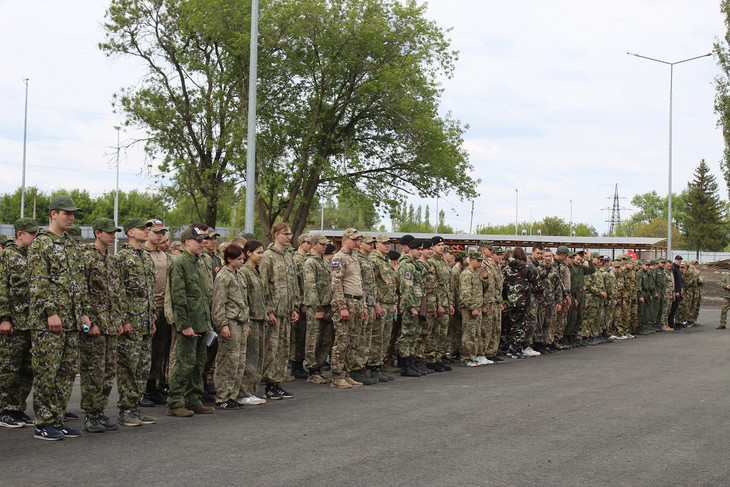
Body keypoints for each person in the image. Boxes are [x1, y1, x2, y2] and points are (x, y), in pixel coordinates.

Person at [28, 194, 91, 440]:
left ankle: (57, 418)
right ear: (53, 213)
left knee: (65, 373)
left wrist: (84, 313)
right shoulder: (41, 244)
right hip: (49, 322)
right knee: (47, 372)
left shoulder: (70, 245)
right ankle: (43, 422)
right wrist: (50, 313)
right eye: (67, 213)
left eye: (73, 213)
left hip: (72, 320)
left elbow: (79, 284)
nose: (71, 217)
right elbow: (38, 282)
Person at [80, 218, 123, 433]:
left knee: (109, 370)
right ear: (98, 233)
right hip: (96, 323)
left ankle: (100, 411)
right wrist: (90, 321)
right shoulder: (87, 257)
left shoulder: (112, 260)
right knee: (93, 371)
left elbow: (116, 293)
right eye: (109, 232)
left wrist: (120, 320)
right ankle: (90, 413)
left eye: (115, 232)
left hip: (111, 323)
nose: (113, 235)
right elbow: (82, 291)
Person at [167, 227, 215, 417]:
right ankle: (175, 401)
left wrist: (207, 322)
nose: (202, 243)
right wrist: (185, 325)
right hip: (189, 324)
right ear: (187, 242)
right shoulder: (180, 264)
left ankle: (194, 399)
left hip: (201, 322)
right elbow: (179, 298)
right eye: (198, 240)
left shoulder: (198, 262)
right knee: (185, 363)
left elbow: (202, 296)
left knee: (199, 362)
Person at [116, 218, 157, 426]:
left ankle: (135, 406)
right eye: (142, 229)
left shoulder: (145, 257)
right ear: (131, 232)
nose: (146, 232)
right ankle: (125, 409)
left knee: (142, 367)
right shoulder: (123, 257)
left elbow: (148, 291)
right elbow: (119, 291)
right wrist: (123, 320)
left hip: (145, 320)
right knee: (128, 367)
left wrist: (152, 318)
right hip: (131, 321)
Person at [0, 218, 39, 429]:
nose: (34, 238)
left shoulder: (33, 256)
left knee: (26, 368)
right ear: (20, 234)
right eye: (31, 234)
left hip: (30, 321)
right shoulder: (8, 255)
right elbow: (2, 288)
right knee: (8, 368)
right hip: (13, 322)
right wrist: (4, 318)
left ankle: (17, 407)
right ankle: (4, 409)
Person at [260, 222, 300, 399]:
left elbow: (294, 283)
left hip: (286, 309)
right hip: (274, 310)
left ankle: (277, 382)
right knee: (272, 349)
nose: (289, 237)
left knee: (283, 348)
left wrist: (295, 307)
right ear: (276, 234)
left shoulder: (289, 256)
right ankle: (268, 384)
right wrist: (268, 310)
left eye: (290, 234)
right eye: (286, 234)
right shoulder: (268, 256)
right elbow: (263, 285)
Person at [212, 244, 249, 410]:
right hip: (230, 321)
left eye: (243, 259)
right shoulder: (223, 276)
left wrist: (247, 323)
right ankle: (223, 396)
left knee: (239, 361)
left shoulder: (239, 275)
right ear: (229, 259)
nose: (242, 262)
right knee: (228, 360)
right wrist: (222, 325)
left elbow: (244, 301)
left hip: (241, 321)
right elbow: (219, 302)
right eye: (238, 259)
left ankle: (232, 394)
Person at [330, 228, 368, 388]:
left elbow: (359, 283)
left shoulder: (354, 258)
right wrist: (341, 307)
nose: (357, 242)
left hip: (357, 302)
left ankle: (346, 373)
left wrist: (364, 305)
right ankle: (337, 375)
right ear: (345, 239)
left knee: (353, 340)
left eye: (358, 240)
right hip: (346, 301)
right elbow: (336, 284)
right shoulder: (338, 258)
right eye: (354, 240)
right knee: (342, 339)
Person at [144, 219, 174, 405]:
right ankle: (144, 389)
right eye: (156, 232)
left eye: (162, 232)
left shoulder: (163, 255)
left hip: (165, 306)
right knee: (149, 350)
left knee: (161, 350)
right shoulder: (143, 254)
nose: (160, 235)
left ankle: (155, 386)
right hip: (151, 307)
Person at [301, 234, 334, 385]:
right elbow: (310, 286)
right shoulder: (310, 262)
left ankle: (319, 367)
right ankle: (312, 369)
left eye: (325, 244)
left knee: (326, 339)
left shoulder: (325, 262)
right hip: (316, 307)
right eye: (321, 244)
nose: (324, 246)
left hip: (328, 305)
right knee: (313, 339)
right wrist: (316, 307)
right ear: (313, 245)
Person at [238, 240, 267, 405]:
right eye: (258, 252)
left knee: (258, 357)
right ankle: (244, 392)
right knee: (249, 357)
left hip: (259, 318)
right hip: (252, 319)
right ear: (248, 253)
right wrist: (247, 322)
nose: (261, 256)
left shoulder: (256, 271)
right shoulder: (244, 272)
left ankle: (252, 390)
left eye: (262, 252)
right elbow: (244, 300)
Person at [368, 234, 397, 382]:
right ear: (377, 244)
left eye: (389, 243)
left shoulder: (386, 261)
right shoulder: (374, 260)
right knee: (377, 338)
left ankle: (379, 365)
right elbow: (371, 284)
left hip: (388, 303)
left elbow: (391, 283)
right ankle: (372, 366)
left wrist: (394, 303)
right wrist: (376, 304)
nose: (387, 246)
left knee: (385, 337)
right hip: (379, 304)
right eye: (384, 243)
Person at [396, 238, 425, 377]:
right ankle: (406, 365)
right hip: (410, 306)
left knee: (414, 335)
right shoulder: (407, 265)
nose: (420, 252)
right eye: (418, 249)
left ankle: (411, 362)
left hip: (418, 305)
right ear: (410, 250)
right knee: (406, 335)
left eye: (421, 249)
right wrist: (412, 307)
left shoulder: (416, 265)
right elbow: (406, 289)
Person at [460, 251, 485, 367]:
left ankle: (473, 356)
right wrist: (472, 308)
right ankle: (466, 357)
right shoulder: (467, 274)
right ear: (471, 260)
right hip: (470, 309)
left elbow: (482, 290)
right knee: (469, 334)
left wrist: (485, 278)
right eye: (477, 261)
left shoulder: (477, 273)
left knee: (475, 334)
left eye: (481, 261)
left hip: (477, 307)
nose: (480, 263)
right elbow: (465, 294)